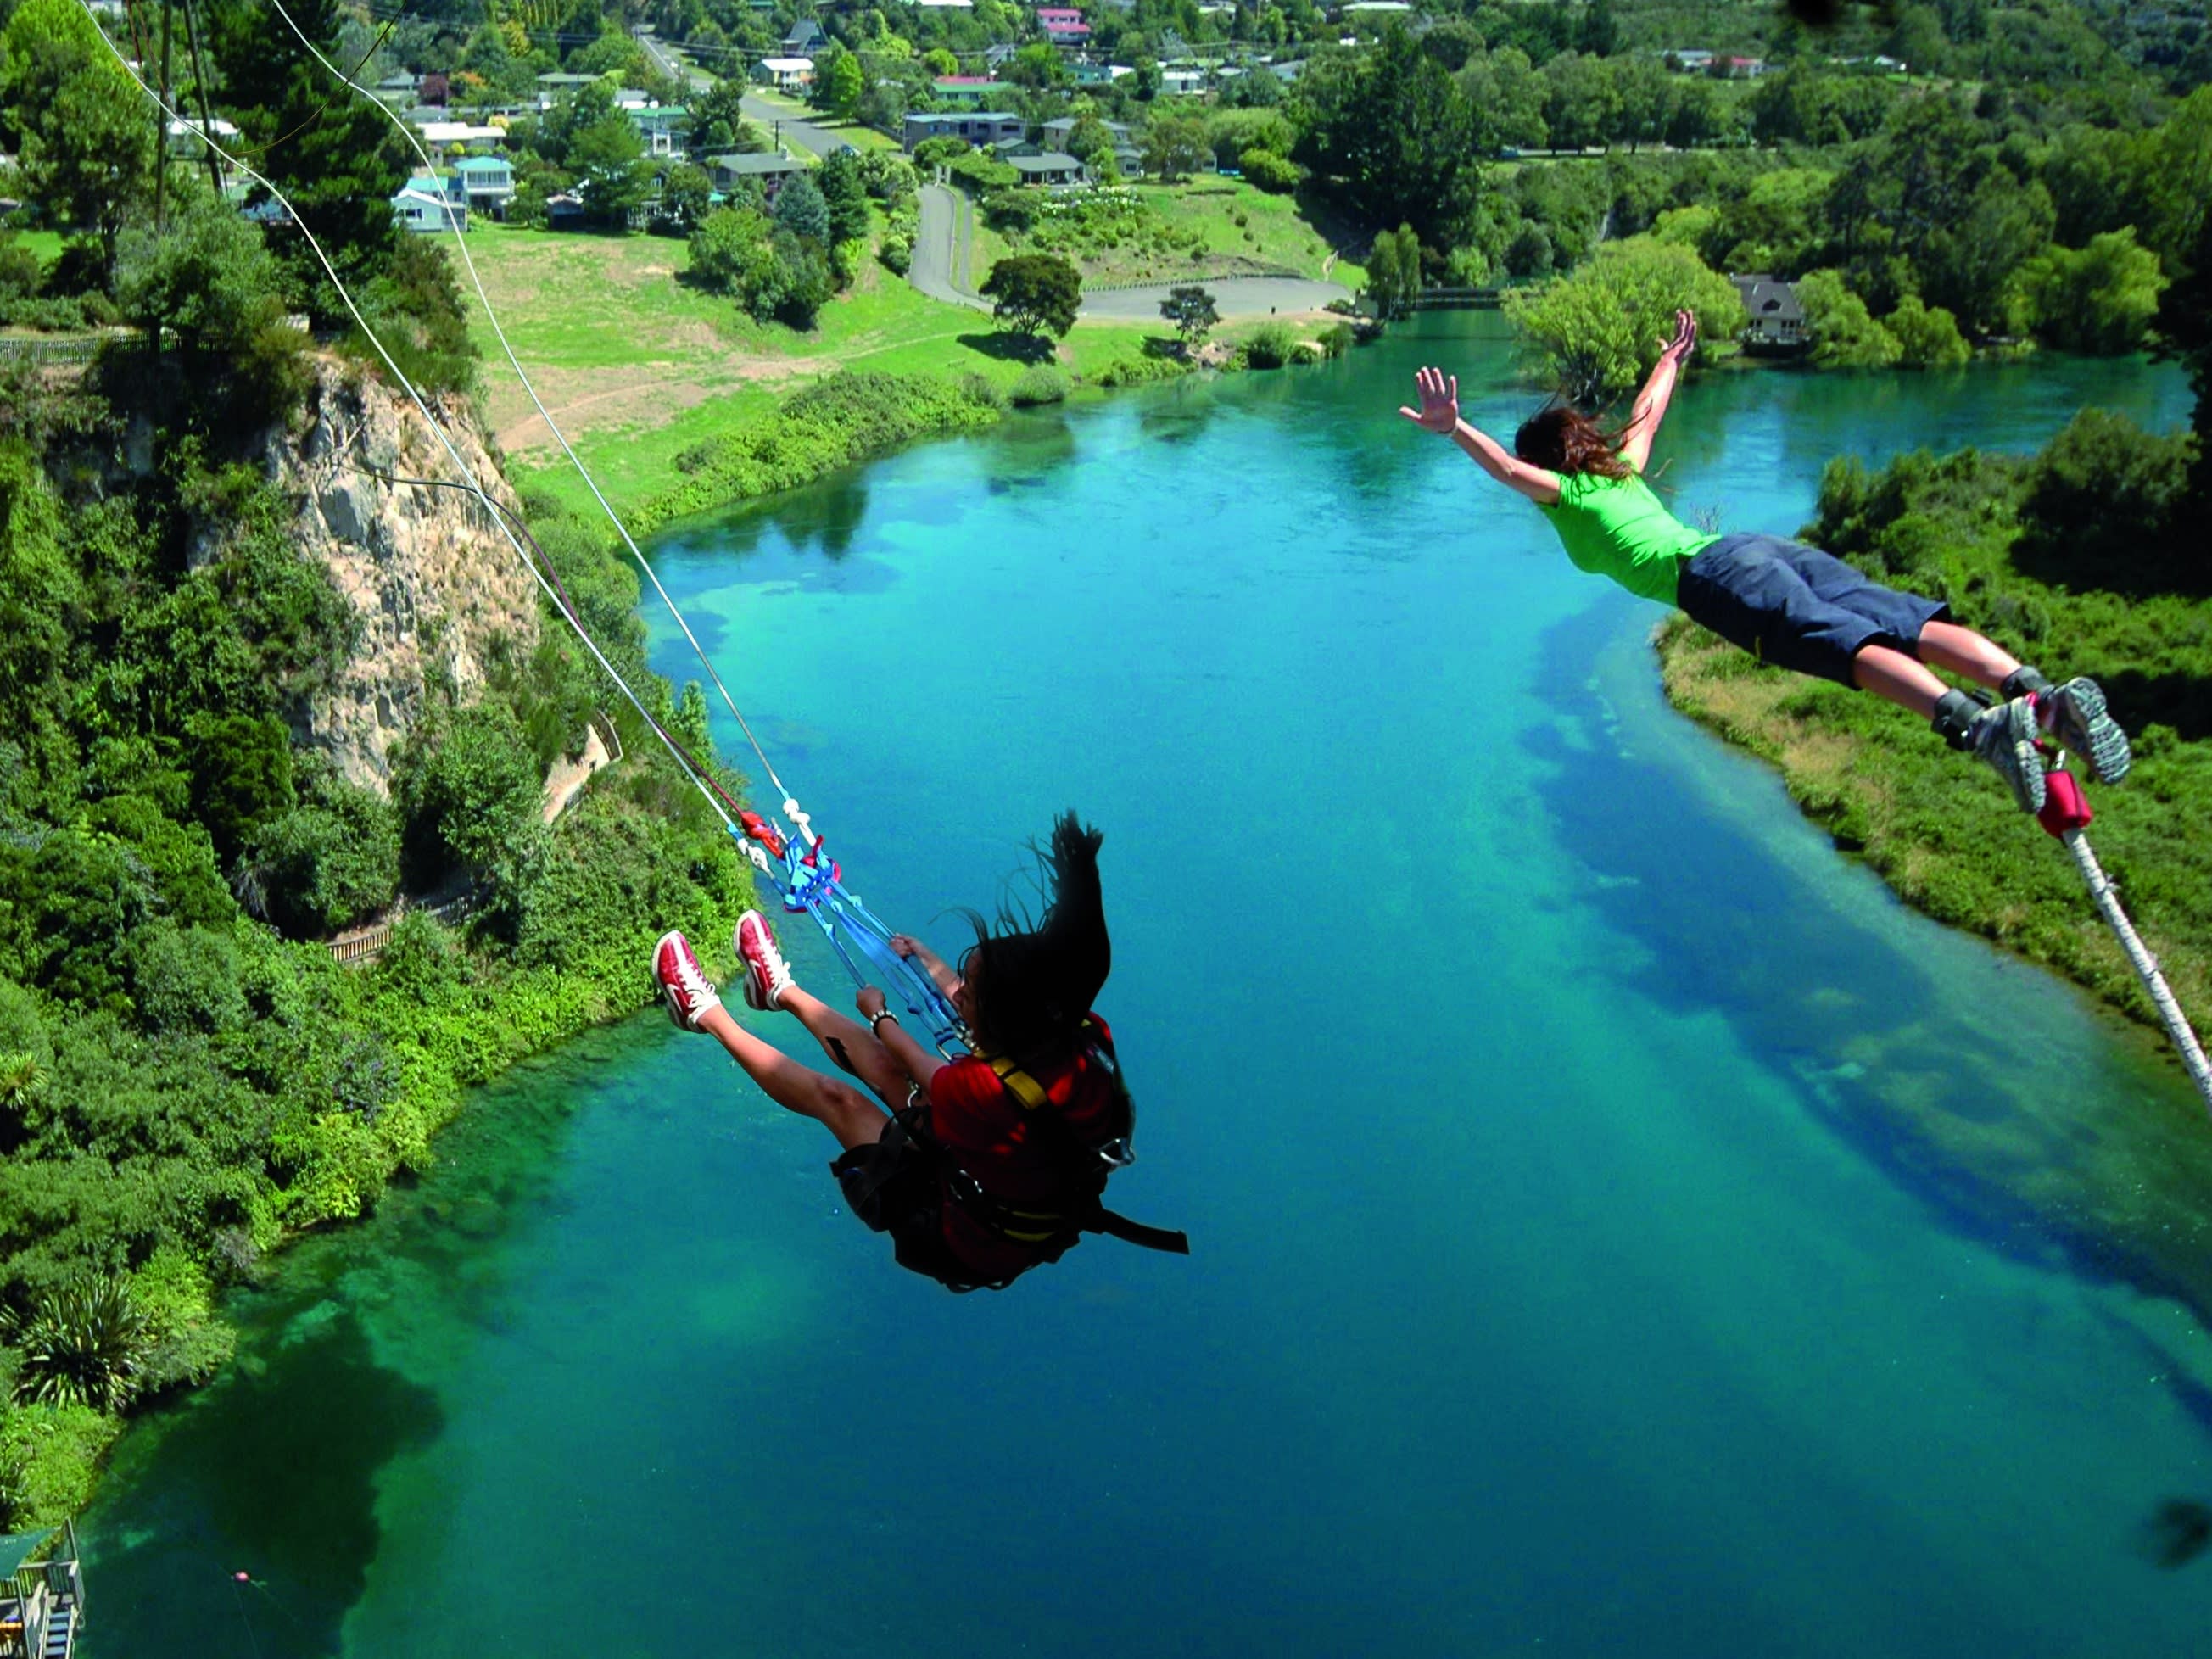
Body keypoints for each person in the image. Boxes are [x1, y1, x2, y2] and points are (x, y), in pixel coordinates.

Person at [1399, 311, 2131, 813]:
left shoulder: (1565, 495)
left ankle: (1979, 728)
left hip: (1715, 580)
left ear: (1548, 465)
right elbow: (1648, 412)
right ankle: (2034, 692)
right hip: (1754, 546)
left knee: (1843, 647)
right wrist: (1671, 357)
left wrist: (1455, 426)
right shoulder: (1619, 469)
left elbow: (1504, 471)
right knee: (1899, 619)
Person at [651, 813, 1186, 1291]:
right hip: (1002, 1176)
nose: (955, 994)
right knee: (890, 1075)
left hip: (953, 1230)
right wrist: (928, 959)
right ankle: (779, 992)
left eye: (967, 994)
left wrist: (878, 1013)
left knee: (845, 1101)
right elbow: (965, 1013)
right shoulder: (1079, 1032)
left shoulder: (983, 1088)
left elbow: (913, 1062)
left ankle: (702, 1012)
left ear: (999, 1024)